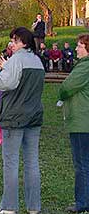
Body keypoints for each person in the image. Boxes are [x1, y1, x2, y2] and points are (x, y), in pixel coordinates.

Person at [0, 27, 44, 214]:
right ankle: (34, 206)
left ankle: (9, 206)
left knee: (10, 163)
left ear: (24, 43)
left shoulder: (16, 60)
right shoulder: (37, 61)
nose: (12, 44)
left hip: (14, 118)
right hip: (33, 116)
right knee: (32, 162)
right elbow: (20, 81)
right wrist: (5, 69)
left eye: (15, 41)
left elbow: (5, 83)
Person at [58, 34, 89, 213]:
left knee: (82, 164)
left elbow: (66, 87)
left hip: (81, 121)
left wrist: (62, 94)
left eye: (79, 46)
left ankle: (82, 202)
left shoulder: (84, 67)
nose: (76, 49)